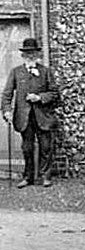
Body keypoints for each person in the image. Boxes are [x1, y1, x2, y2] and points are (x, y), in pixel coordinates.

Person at [1, 37, 61, 188]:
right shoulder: (16, 72)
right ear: (23, 55)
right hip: (24, 117)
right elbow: (7, 94)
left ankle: (45, 176)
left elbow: (55, 94)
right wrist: (7, 111)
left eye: (33, 53)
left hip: (43, 116)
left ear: (37, 54)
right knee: (27, 148)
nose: (30, 56)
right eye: (27, 53)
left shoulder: (45, 72)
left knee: (45, 147)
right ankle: (28, 177)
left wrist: (39, 97)